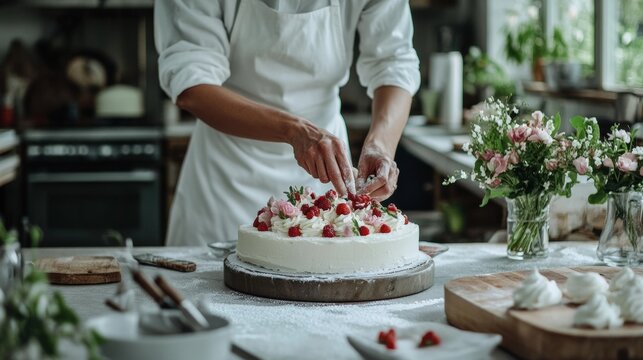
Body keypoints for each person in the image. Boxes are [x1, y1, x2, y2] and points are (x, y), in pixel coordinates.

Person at [155, 0, 420, 246]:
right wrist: (293, 130)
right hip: (224, 177)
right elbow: (191, 80)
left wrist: (380, 146)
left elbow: (393, 61)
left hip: (325, 174)